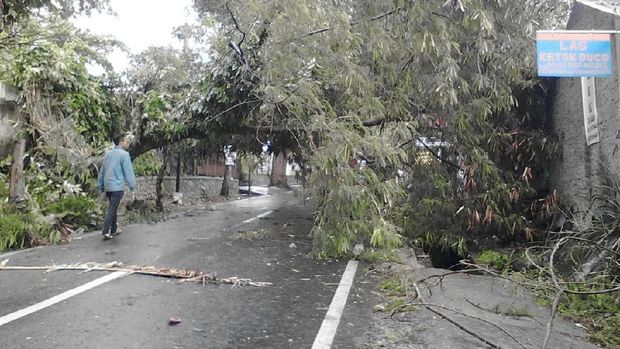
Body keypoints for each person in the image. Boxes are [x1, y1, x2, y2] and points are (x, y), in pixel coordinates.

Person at [97, 133, 136, 240]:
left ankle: (113, 229)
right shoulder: (124, 155)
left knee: (113, 207)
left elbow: (102, 172)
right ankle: (106, 231)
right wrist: (132, 187)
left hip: (108, 187)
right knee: (112, 208)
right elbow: (128, 173)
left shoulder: (108, 154)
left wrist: (100, 186)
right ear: (121, 142)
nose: (127, 143)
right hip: (117, 187)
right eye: (126, 141)